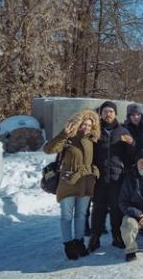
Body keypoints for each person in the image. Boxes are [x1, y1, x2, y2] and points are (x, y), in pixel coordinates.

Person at [43, 110, 101, 260]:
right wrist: (63, 134)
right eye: (84, 124)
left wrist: (95, 171)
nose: (86, 128)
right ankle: (68, 244)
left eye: (89, 125)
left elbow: (95, 161)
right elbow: (48, 149)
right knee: (67, 216)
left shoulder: (92, 140)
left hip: (86, 183)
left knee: (81, 215)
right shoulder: (68, 138)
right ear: (78, 123)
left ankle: (79, 242)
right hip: (68, 182)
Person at [89, 101, 134, 253]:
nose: (108, 114)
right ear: (100, 113)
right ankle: (95, 237)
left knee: (116, 209)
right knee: (98, 209)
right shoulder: (95, 131)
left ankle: (117, 236)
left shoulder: (123, 131)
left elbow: (131, 156)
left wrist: (131, 144)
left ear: (115, 114)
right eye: (105, 111)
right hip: (99, 177)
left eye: (111, 112)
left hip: (117, 178)